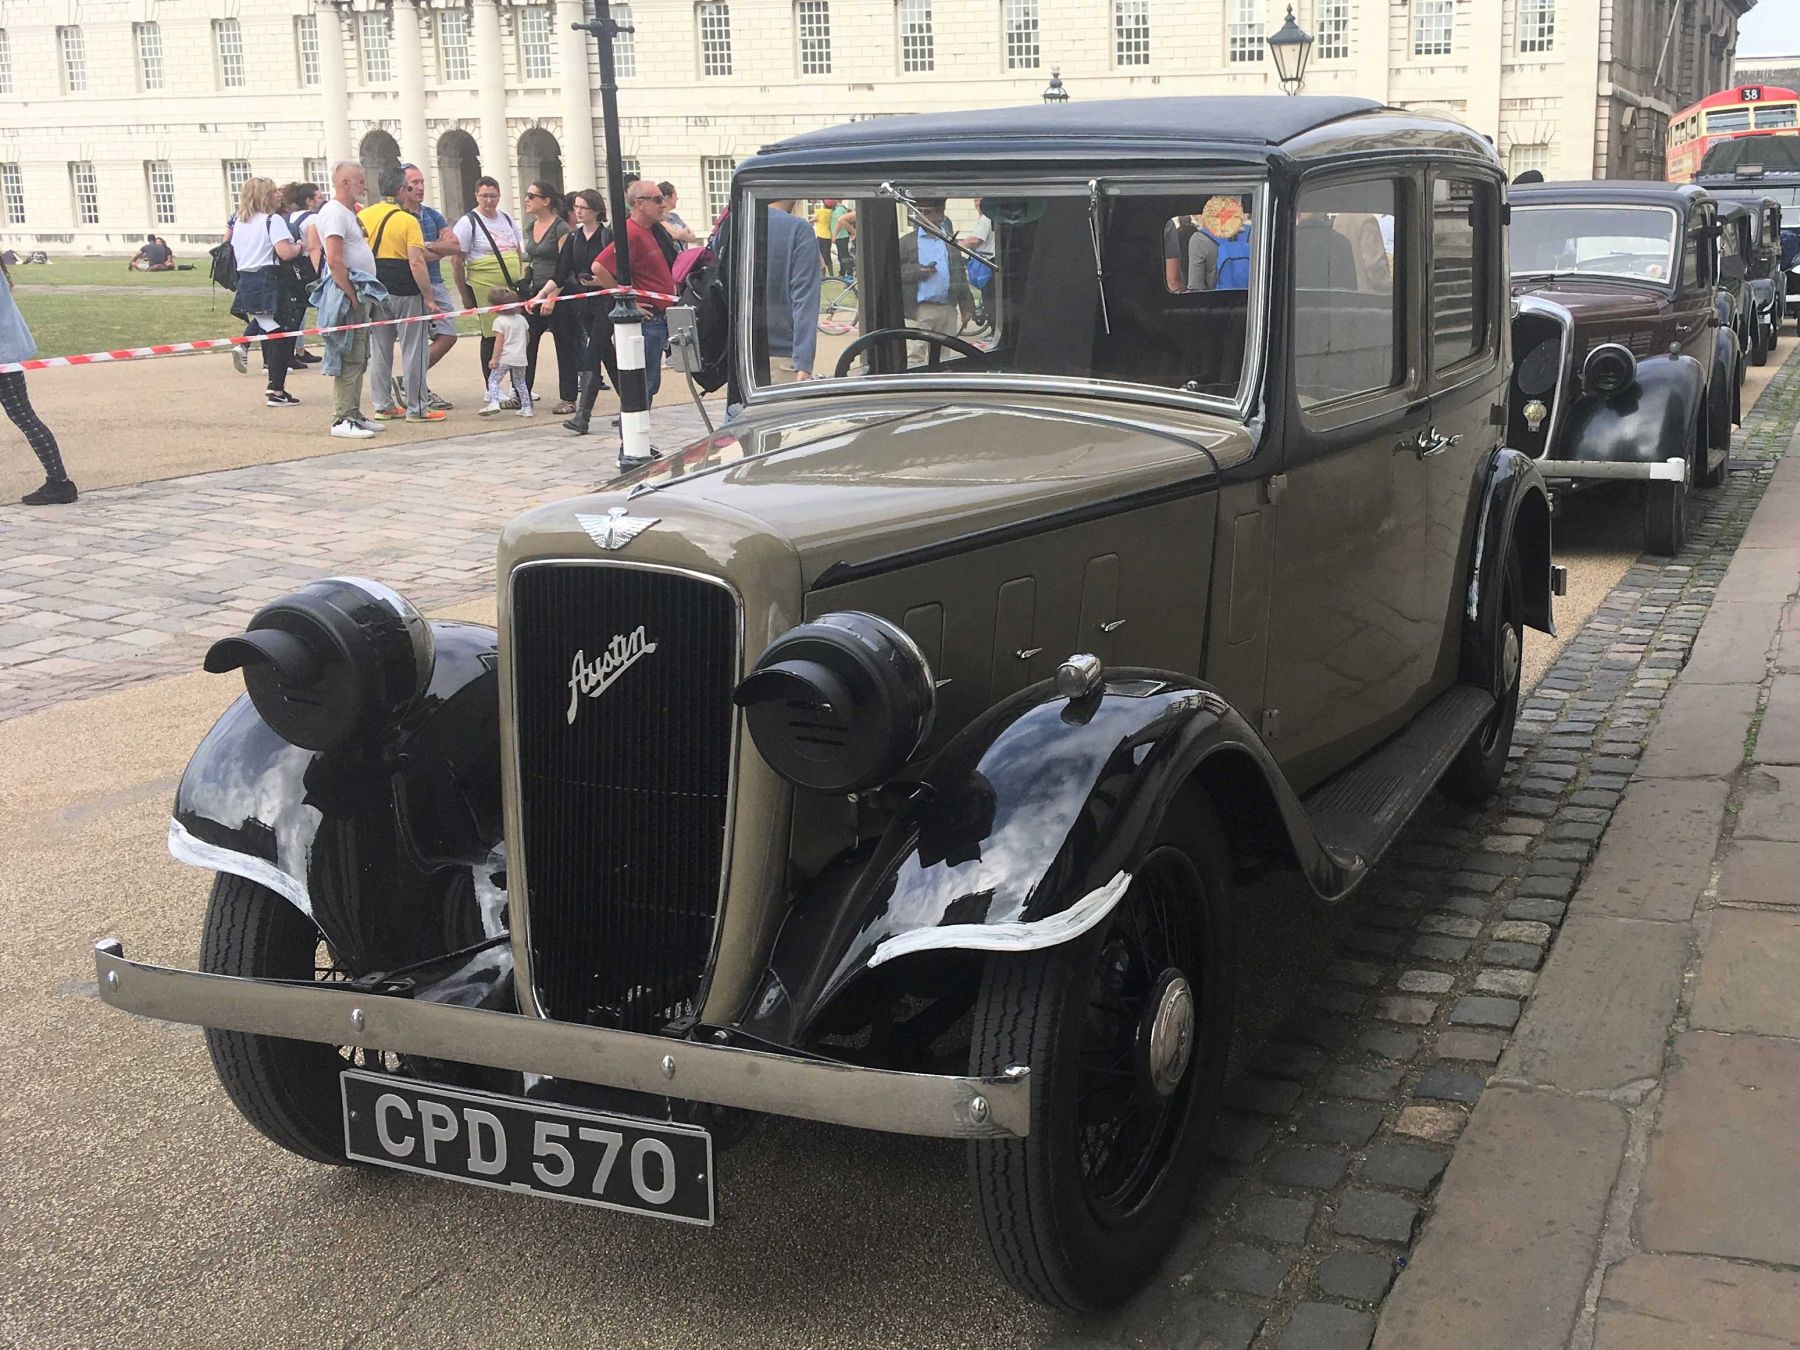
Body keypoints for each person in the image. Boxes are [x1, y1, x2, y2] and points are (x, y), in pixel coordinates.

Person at [360, 165, 445, 423]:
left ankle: (382, 404)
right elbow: (417, 262)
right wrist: (429, 297)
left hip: (375, 287)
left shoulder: (364, 215)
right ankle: (417, 408)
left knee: (380, 349)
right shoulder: (407, 220)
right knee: (414, 349)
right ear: (400, 190)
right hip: (405, 288)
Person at [314, 160, 385, 439]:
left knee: (359, 355)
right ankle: (342, 416)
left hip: (359, 289)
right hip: (347, 291)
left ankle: (353, 412)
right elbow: (334, 258)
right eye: (359, 181)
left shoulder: (348, 212)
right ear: (344, 183)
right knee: (348, 355)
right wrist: (351, 294)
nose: (364, 186)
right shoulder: (334, 212)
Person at [589, 179, 676, 404]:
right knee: (642, 386)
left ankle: (636, 437)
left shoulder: (649, 231)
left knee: (648, 385)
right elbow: (598, 267)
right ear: (639, 203)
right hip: (649, 321)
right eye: (657, 200)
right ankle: (630, 438)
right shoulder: (631, 232)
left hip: (658, 319)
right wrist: (628, 301)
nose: (663, 205)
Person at [0, 256, 77, 504]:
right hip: (6, 352)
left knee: (25, 417)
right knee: (25, 417)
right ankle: (59, 481)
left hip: (4, 356)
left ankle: (60, 482)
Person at [226, 176, 305, 409]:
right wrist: (301, 246)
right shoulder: (272, 221)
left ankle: (274, 384)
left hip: (247, 279)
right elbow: (285, 252)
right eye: (273, 192)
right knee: (280, 332)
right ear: (264, 196)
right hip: (270, 278)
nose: (279, 195)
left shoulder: (240, 223)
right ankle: (276, 388)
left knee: (270, 328)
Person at [547, 188, 618, 434]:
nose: (578, 211)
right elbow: (559, 274)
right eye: (576, 207)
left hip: (606, 302)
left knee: (593, 353)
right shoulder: (574, 238)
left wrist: (599, 282)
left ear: (596, 211)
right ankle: (634, 404)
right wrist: (540, 296)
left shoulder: (607, 237)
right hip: (584, 304)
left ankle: (583, 416)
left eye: (583, 207)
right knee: (607, 354)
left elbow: (618, 272)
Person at [452, 177, 526, 400]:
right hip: (485, 287)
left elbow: (516, 249)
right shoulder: (468, 222)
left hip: (510, 285)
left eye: (493, 196)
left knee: (515, 333)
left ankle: (518, 385)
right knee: (493, 334)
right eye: (484, 196)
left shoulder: (505, 218)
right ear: (476, 196)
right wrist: (465, 295)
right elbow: (457, 260)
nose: (489, 201)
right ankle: (491, 387)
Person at [519, 181, 577, 414]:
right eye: (527, 195)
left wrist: (553, 297)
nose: (527, 199)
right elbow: (532, 259)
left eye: (532, 196)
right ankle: (523, 393)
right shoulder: (530, 227)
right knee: (527, 343)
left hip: (559, 292)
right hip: (535, 291)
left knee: (564, 344)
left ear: (546, 201)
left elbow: (566, 265)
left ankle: (568, 397)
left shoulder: (561, 229)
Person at [406, 165, 458, 411]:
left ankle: (411, 380)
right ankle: (415, 386)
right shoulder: (399, 216)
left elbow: (454, 245)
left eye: (422, 182)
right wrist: (436, 248)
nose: (419, 187)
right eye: (413, 183)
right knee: (414, 340)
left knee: (448, 334)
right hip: (411, 284)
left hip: (435, 282)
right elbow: (412, 257)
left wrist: (427, 246)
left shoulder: (432, 214)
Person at [899, 198, 971, 362]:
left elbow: (959, 274)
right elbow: (895, 273)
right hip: (920, 309)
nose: (926, 217)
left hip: (947, 308)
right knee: (915, 356)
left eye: (932, 212)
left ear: (941, 215)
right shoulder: (906, 243)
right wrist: (918, 271)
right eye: (922, 212)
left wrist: (966, 306)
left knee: (945, 356)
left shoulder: (950, 243)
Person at [763, 200, 822, 381]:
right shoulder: (798, 229)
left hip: (739, 360)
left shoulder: (732, 224)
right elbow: (805, 299)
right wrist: (804, 362)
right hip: (783, 357)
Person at [279, 183, 324, 365]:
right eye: (319, 197)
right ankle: (290, 355)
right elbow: (315, 248)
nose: (322, 200)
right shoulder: (313, 219)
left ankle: (290, 353)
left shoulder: (289, 217)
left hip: (291, 266)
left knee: (294, 312)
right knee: (299, 313)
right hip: (305, 265)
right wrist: (316, 274)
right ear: (309, 200)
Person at [481, 287, 532, 416]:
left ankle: (494, 402)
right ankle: (526, 407)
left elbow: (499, 342)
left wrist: (494, 359)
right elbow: (527, 337)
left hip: (505, 357)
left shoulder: (499, 321)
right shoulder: (522, 319)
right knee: (520, 383)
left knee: (493, 380)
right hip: (520, 357)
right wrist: (522, 349)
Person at [1187, 196, 1252, 292]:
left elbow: (1196, 287)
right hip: (1253, 303)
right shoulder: (1254, 232)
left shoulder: (1200, 239)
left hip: (1218, 304)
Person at [830, 199, 856, 279]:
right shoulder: (838, 209)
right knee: (842, 256)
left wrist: (853, 232)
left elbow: (840, 222)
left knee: (844, 257)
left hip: (842, 236)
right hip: (840, 236)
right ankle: (844, 274)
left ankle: (848, 274)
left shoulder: (840, 209)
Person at [811, 200, 835, 274]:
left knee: (821, 257)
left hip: (820, 236)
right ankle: (831, 274)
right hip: (828, 236)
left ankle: (823, 275)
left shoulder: (820, 212)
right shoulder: (831, 212)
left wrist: (813, 203)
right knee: (827, 256)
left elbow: (812, 213)